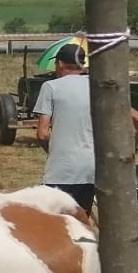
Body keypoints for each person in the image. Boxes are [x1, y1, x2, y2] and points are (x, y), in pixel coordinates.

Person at [33, 43, 96, 213]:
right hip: (90, 170)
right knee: (81, 223)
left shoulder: (50, 87)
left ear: (60, 64)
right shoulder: (96, 86)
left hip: (60, 171)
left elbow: (42, 134)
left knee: (53, 224)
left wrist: (54, 151)